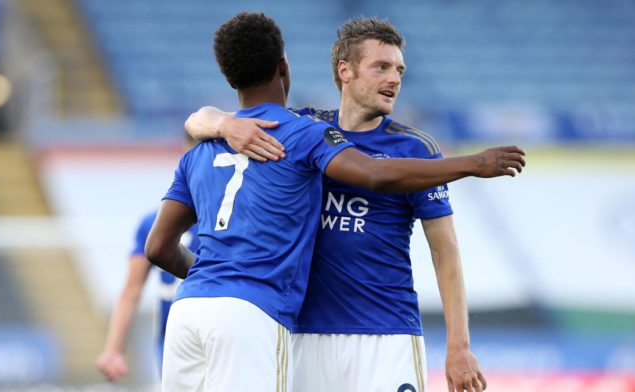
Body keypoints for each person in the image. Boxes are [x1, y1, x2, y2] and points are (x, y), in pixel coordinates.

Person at [146, 12, 524, 392]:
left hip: (384, 334)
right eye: (381, 67)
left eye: (400, 70)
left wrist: (459, 346)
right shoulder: (299, 131)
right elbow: (201, 119)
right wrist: (224, 123)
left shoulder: (417, 149)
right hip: (303, 335)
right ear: (345, 71)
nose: (394, 78)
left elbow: (446, 251)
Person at [96, 211, 200, 382]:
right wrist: (113, 350)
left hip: (182, 344)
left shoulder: (156, 220)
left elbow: (131, 291)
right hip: (176, 343)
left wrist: (113, 351)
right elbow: (132, 290)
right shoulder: (227, 218)